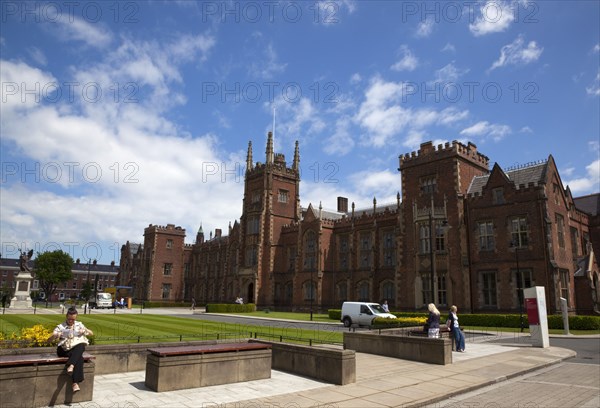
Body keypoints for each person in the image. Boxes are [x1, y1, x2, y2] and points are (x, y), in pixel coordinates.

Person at [48, 307, 93, 393]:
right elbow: (48, 340)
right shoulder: (61, 326)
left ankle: (74, 383)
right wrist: (55, 335)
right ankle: (72, 369)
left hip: (73, 349)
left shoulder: (79, 325)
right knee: (79, 354)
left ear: (76, 317)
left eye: (73, 319)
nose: (71, 321)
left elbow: (91, 333)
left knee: (81, 348)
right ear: (66, 316)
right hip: (63, 350)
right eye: (69, 319)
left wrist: (84, 330)